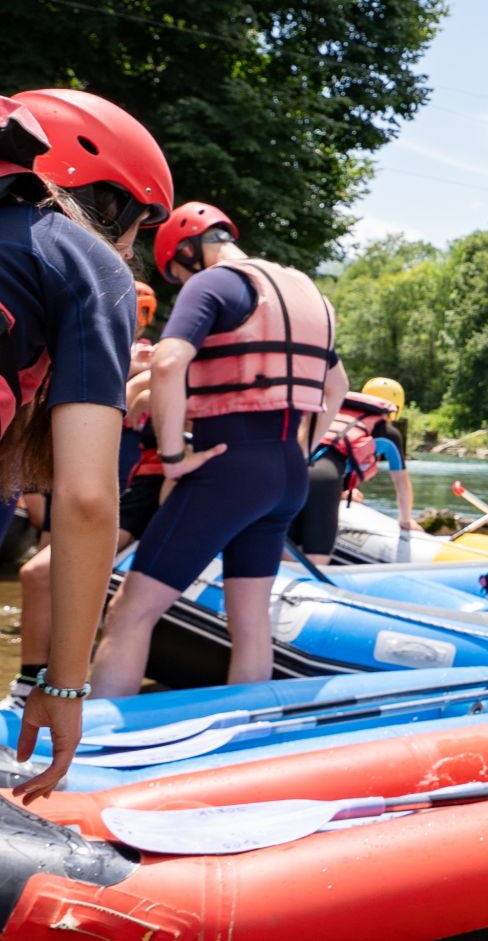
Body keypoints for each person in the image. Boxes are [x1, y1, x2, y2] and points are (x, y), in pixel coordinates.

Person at [91, 201, 338, 695]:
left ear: (189, 248)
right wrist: (299, 451)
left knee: (130, 612)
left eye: (179, 274)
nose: (183, 284)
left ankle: (95, 746)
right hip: (288, 471)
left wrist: (174, 457)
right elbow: (335, 389)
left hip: (226, 469)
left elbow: (167, 364)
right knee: (249, 623)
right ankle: (245, 735)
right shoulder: (308, 292)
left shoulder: (214, 283)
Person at [0, 91, 171, 799]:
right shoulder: (82, 262)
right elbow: (86, 497)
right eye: (134, 230)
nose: (131, 252)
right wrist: (64, 685)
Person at [9, 277, 162, 711]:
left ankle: (51, 685)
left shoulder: (154, 363)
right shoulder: (85, 348)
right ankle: (35, 678)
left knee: (41, 574)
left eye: (146, 313)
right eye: (138, 311)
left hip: (127, 496)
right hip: (83, 483)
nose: (139, 323)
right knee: (42, 571)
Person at [292, 375, 417, 563]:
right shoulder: (388, 433)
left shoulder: (332, 413)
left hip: (292, 475)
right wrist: (406, 521)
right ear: (395, 408)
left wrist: (342, 491)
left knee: (288, 555)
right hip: (324, 481)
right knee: (316, 562)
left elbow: (321, 453)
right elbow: (402, 484)